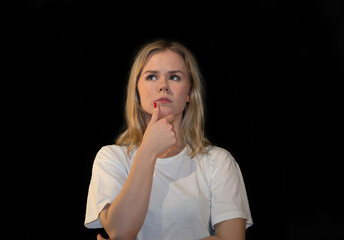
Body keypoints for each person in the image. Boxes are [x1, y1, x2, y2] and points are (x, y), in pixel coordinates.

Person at [84, 40, 253, 240]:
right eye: (151, 76)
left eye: (174, 77)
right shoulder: (111, 158)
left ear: (189, 92)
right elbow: (120, 232)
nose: (163, 86)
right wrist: (148, 150)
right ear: (137, 91)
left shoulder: (218, 161)